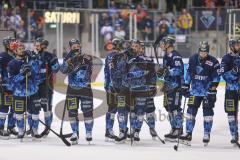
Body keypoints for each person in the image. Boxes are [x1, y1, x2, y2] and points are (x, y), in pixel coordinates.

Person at [179, 41, 220, 146]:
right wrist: (185, 85)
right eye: (201, 52)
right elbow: (188, 72)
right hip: (195, 91)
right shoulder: (193, 58)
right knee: (190, 113)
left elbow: (216, 77)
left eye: (205, 52)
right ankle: (188, 133)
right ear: (198, 51)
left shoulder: (214, 61)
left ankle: (206, 134)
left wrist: (213, 88)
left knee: (208, 113)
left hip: (207, 92)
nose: (203, 54)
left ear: (208, 52)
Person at [60, 39, 94, 145]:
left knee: (87, 112)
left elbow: (88, 73)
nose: (76, 48)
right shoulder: (68, 58)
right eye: (73, 47)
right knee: (72, 112)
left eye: (77, 46)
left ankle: (88, 132)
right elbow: (63, 70)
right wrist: (69, 60)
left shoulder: (87, 57)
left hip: (85, 89)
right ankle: (74, 133)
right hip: (72, 89)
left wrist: (77, 62)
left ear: (80, 46)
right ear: (70, 48)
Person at [7, 41, 41, 139]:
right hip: (19, 93)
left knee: (35, 112)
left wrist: (33, 61)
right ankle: (21, 131)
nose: (22, 51)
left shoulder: (29, 61)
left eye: (23, 49)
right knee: (19, 113)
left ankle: (34, 130)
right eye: (20, 49)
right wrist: (22, 74)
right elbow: (12, 80)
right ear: (15, 51)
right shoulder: (12, 63)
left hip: (32, 91)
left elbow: (37, 75)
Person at [157, 36, 184, 142]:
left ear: (169, 44)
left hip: (176, 86)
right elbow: (165, 72)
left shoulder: (175, 56)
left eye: (164, 43)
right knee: (168, 108)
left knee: (175, 107)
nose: (162, 45)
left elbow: (179, 71)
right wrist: (161, 73)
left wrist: (168, 71)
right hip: (168, 86)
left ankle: (179, 129)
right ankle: (173, 128)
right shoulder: (165, 56)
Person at [32, 38, 60, 137]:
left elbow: (56, 69)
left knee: (46, 108)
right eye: (35, 45)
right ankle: (33, 128)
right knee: (33, 108)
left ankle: (47, 128)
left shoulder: (50, 56)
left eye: (38, 45)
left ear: (43, 46)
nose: (36, 46)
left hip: (46, 86)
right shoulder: (32, 56)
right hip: (33, 86)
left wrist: (54, 63)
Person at [220, 38, 240, 145]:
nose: (239, 47)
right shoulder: (226, 58)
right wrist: (234, 71)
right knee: (231, 113)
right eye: (237, 45)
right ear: (231, 46)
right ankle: (234, 134)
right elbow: (225, 76)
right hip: (231, 90)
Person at [104, 37, 124, 141]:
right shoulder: (122, 56)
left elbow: (106, 73)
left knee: (112, 109)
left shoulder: (109, 56)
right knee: (120, 110)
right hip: (119, 88)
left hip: (112, 87)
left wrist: (106, 86)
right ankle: (121, 131)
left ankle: (109, 130)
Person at [0, 36, 17, 139]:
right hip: (6, 86)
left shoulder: (17, 55)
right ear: (7, 45)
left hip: (17, 87)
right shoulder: (2, 56)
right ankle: (1, 128)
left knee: (15, 108)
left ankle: (11, 127)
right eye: (11, 43)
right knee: (4, 107)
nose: (14, 44)